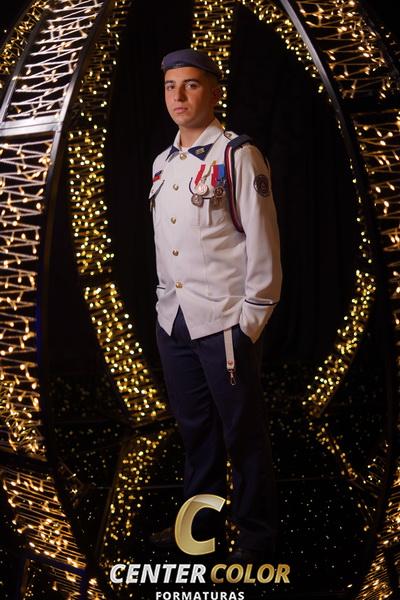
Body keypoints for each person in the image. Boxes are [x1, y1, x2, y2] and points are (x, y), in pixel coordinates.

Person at [148, 48, 282, 563]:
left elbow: (263, 243)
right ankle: (200, 530)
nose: (178, 96)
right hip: (175, 321)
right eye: (170, 86)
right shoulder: (163, 164)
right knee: (195, 433)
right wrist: (165, 310)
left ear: (214, 91)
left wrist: (251, 320)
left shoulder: (237, 155)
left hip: (225, 321)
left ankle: (256, 537)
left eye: (191, 85)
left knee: (242, 434)